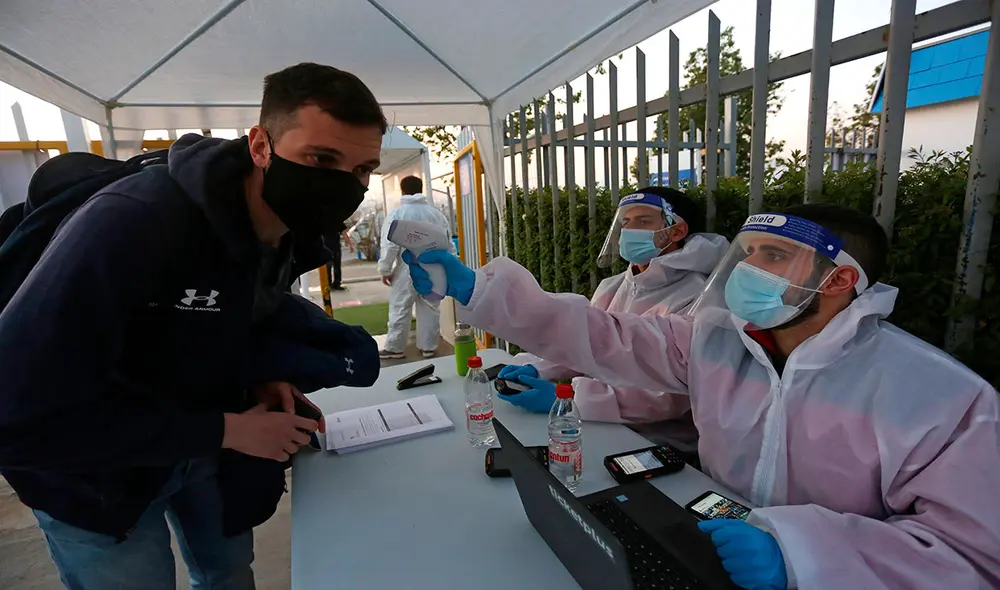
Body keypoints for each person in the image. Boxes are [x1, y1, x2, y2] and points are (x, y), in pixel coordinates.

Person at [404, 203, 1000, 589]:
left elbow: (972, 557)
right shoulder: (719, 342)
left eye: (774, 257)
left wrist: (801, 555)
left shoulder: (939, 397)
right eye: (748, 254)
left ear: (840, 280)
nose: (748, 269)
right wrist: (481, 289)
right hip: (707, 543)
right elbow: (607, 335)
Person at [0, 62, 386, 589]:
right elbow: (17, 413)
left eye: (363, 169)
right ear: (260, 146)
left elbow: (213, 319)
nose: (344, 185)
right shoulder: (132, 223)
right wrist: (229, 428)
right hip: (93, 477)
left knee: (228, 576)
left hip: (203, 450)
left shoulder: (289, 231)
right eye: (321, 158)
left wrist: (258, 379)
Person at [497, 187, 728, 460]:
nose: (630, 231)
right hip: (601, 424)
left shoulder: (699, 296)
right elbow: (585, 343)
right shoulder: (614, 286)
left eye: (643, 221)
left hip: (661, 445)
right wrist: (537, 367)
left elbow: (668, 397)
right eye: (626, 223)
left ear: (676, 231)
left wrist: (574, 399)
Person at [377, 175, 455, 360]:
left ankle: (395, 348)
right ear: (421, 189)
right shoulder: (436, 215)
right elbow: (447, 243)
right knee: (430, 307)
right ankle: (428, 346)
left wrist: (385, 269)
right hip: (434, 268)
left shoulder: (397, 214)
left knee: (400, 308)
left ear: (402, 191)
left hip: (406, 269)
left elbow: (390, 245)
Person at [323, 221, 354, 291]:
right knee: (332, 266)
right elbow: (344, 233)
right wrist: (349, 244)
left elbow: (344, 233)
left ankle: (333, 284)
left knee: (333, 266)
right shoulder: (334, 219)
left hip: (331, 246)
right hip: (330, 246)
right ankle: (332, 284)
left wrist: (349, 244)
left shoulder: (336, 220)